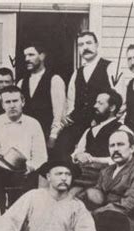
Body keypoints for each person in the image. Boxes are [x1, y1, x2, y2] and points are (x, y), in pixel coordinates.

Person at [55, 31, 125, 160]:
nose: (85, 47)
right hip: (78, 123)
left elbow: (119, 101)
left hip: (102, 122)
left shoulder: (111, 67)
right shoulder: (77, 72)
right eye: (81, 44)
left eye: (89, 43)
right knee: (61, 149)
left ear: (97, 45)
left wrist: (107, 123)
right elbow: (71, 102)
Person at [0, 85, 47, 211]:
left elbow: (41, 156)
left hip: (26, 172)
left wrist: (30, 167)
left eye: (15, 101)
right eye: (8, 102)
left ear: (23, 102)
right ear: (2, 105)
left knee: (27, 193)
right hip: (1, 171)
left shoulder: (33, 124)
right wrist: (3, 167)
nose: (12, 105)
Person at [70, 89, 132, 193]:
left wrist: (94, 159)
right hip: (84, 174)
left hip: (107, 179)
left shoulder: (122, 130)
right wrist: (78, 156)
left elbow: (124, 159)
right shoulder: (90, 130)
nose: (95, 106)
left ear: (112, 107)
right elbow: (76, 153)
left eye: (100, 103)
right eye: (96, 102)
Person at [18, 41, 66, 149]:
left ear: (42, 56)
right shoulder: (21, 82)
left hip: (46, 138)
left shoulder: (54, 80)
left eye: (31, 55)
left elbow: (59, 114)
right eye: (25, 56)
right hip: (25, 138)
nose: (27, 59)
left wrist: (52, 137)